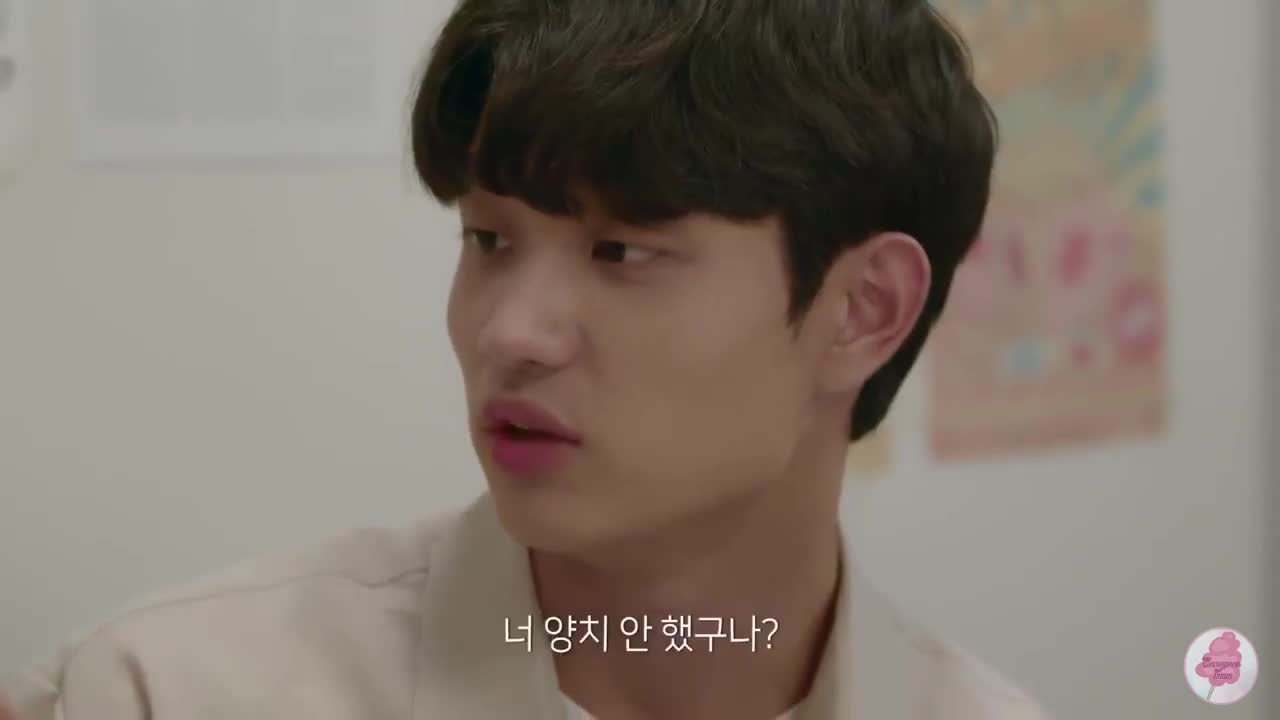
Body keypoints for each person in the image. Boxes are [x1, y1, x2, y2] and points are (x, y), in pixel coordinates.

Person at [3, 1, 1052, 718]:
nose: (509, 332)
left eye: (621, 251)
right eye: (487, 238)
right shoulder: (174, 693)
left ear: (863, 310)